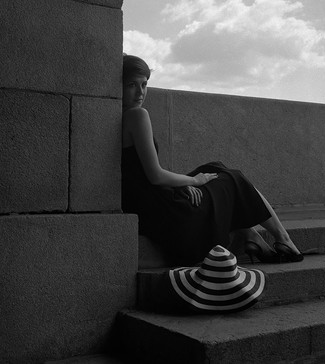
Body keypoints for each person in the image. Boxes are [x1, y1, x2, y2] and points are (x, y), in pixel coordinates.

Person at [121, 55, 303, 266]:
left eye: (144, 84)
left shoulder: (117, 115)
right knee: (232, 178)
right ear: (119, 85)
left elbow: (141, 173)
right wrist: (193, 181)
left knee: (214, 168)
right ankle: (281, 238)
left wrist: (179, 184)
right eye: (132, 85)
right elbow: (155, 176)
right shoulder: (137, 115)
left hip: (144, 205)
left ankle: (252, 236)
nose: (140, 92)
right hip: (166, 213)